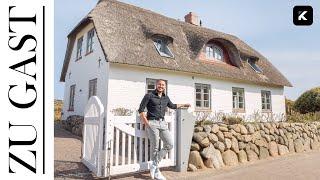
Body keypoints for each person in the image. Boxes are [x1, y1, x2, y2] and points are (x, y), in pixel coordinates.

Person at [138, 79, 190, 180]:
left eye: (163, 85)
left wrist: (184, 104)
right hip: (152, 123)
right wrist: (146, 121)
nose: (161, 86)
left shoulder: (166, 97)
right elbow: (141, 109)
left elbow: (173, 106)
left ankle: (154, 164)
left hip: (163, 123)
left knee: (170, 144)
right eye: (159, 84)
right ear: (156, 85)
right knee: (155, 147)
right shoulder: (149, 95)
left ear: (165, 86)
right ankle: (157, 172)